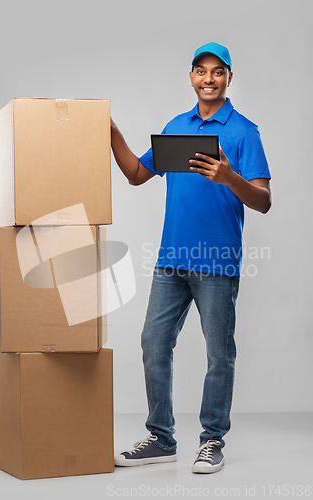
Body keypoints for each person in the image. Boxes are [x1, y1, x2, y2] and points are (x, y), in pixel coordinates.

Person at [111, 42, 271, 474]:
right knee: (153, 343)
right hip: (171, 261)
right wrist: (111, 133)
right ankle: (161, 439)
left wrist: (228, 176)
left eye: (218, 72)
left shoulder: (243, 132)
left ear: (229, 78)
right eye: (201, 71)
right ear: (191, 77)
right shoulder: (176, 128)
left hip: (217, 262)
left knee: (219, 354)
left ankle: (212, 439)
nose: (209, 79)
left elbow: (264, 202)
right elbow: (136, 175)